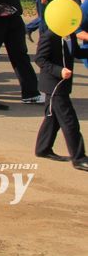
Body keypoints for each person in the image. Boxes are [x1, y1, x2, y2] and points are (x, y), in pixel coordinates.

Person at [34, 28, 88, 171]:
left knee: (52, 118)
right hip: (54, 86)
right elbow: (39, 58)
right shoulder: (49, 35)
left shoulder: (69, 33)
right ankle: (79, 158)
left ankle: (42, 149)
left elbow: (75, 52)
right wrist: (59, 70)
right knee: (70, 121)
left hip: (62, 85)